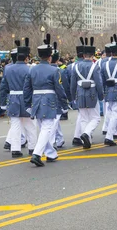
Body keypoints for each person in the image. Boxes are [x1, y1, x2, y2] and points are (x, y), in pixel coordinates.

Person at [25, 34, 68, 167]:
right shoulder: (54, 70)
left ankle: (51, 153)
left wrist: (27, 104)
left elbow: (27, 88)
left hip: (36, 100)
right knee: (47, 128)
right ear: (50, 57)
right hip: (49, 100)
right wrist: (64, 102)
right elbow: (59, 88)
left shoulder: (32, 70)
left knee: (44, 128)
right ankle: (37, 154)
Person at [0, 39, 37, 157]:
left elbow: (3, 86)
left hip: (13, 97)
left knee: (15, 125)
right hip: (26, 99)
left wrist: (2, 102)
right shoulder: (30, 69)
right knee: (30, 125)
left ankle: (15, 149)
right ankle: (32, 148)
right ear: (26, 58)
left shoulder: (8, 69)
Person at [70, 37, 103, 150]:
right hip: (92, 93)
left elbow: (73, 84)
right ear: (93, 55)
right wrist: (101, 95)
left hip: (80, 93)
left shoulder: (76, 66)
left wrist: (72, 96)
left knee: (83, 118)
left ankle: (86, 140)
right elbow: (99, 83)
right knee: (96, 118)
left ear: (83, 55)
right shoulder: (95, 66)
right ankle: (87, 134)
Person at [102, 34, 117, 146]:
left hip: (108, 89)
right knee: (116, 113)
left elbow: (102, 79)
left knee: (112, 111)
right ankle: (109, 136)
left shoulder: (104, 64)